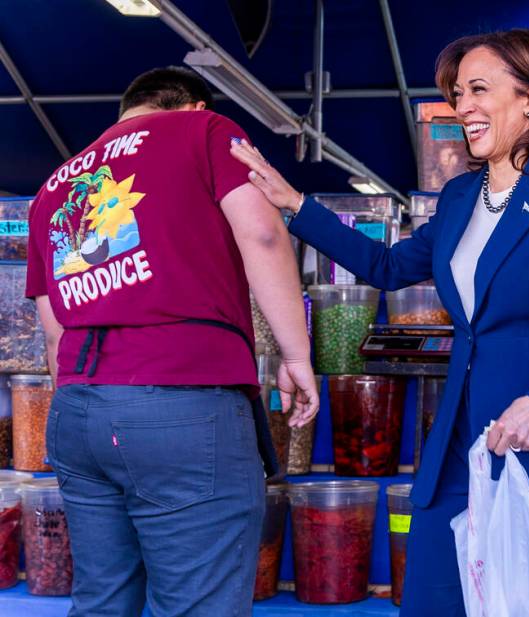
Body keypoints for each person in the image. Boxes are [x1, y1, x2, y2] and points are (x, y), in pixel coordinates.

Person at [231, 29, 529, 616]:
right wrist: (294, 204)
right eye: (458, 94)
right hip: (460, 447)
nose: (462, 108)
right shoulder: (460, 196)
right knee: (433, 600)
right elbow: (385, 266)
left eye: (478, 89)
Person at [25, 67, 319, 616]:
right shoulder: (203, 130)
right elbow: (262, 231)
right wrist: (296, 355)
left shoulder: (54, 186)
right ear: (192, 105)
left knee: (102, 603)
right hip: (183, 404)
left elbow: (53, 331)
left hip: (78, 410)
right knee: (196, 605)